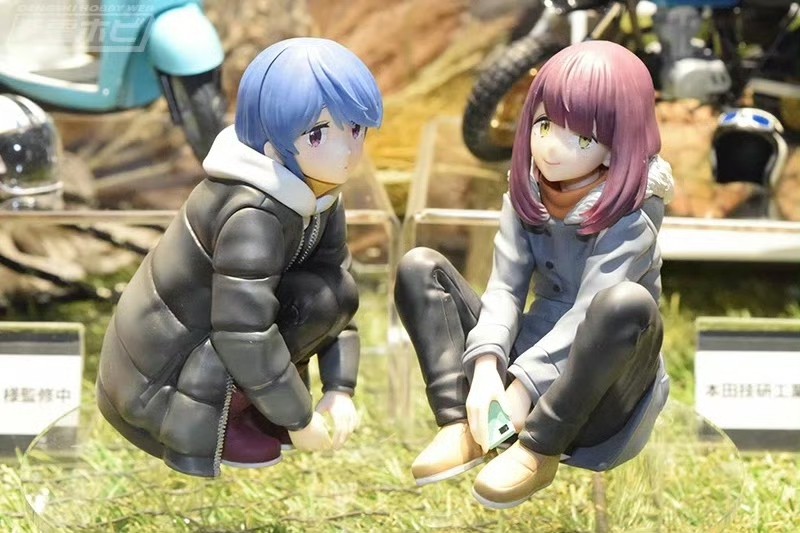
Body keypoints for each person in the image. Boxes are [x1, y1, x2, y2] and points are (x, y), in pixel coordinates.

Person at [395, 40, 673, 508]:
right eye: (544, 125)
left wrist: (522, 388)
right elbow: (505, 286)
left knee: (623, 304)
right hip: (530, 349)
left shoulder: (633, 211)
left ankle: (538, 450)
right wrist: (487, 369)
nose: (551, 147)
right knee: (420, 268)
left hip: (601, 384)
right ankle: (462, 423)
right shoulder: (529, 188)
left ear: (621, 140)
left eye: (581, 137)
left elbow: (588, 312)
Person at [96, 37, 383, 478]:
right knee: (261, 320)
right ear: (273, 144)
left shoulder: (320, 196)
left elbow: (339, 298)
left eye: (356, 129)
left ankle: (252, 407)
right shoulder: (252, 214)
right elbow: (242, 332)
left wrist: (339, 387)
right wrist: (299, 418)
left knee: (330, 293)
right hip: (157, 380)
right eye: (318, 134)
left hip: (217, 344)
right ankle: (211, 421)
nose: (346, 150)